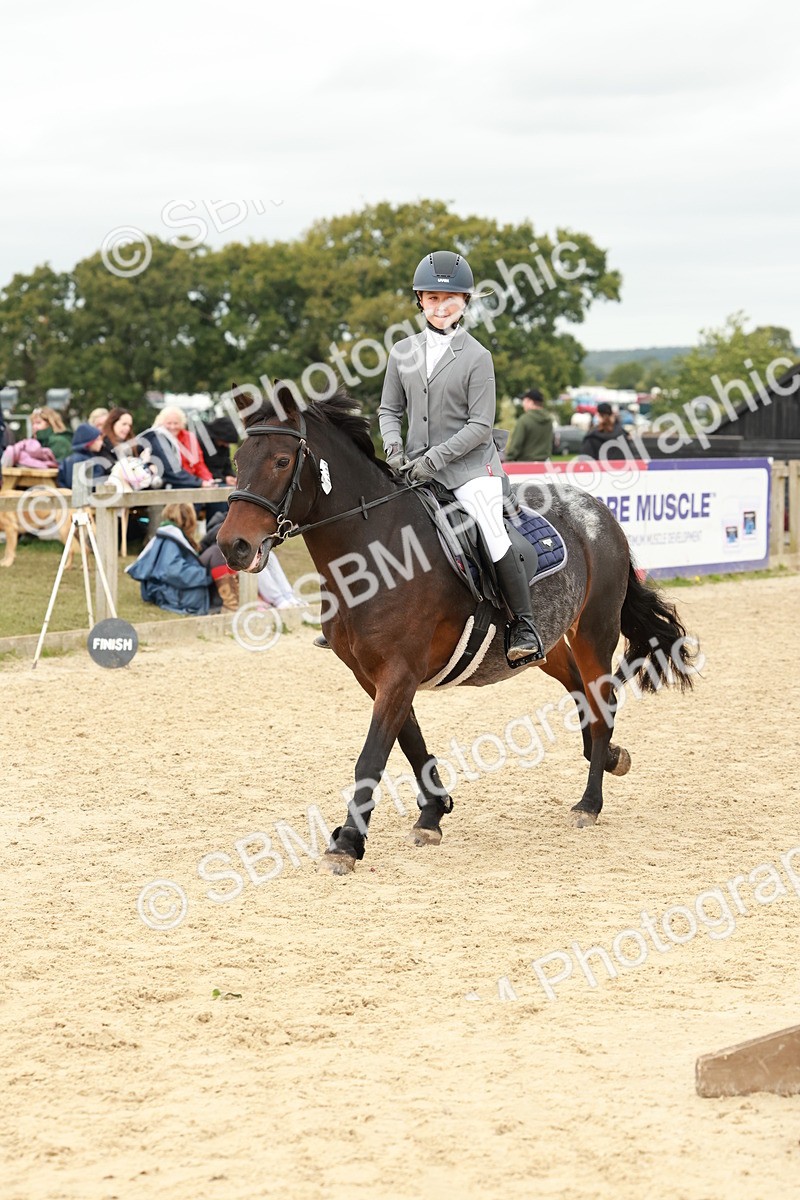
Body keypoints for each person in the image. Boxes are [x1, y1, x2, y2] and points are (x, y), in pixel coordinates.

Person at [378, 249, 545, 663]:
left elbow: (480, 426)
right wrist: (394, 449)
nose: (440, 306)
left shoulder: (477, 356)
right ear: (419, 300)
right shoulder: (402, 352)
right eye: (432, 298)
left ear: (465, 302)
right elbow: (388, 410)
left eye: (449, 298)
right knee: (375, 518)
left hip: (472, 467)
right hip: (413, 464)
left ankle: (523, 625)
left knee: (490, 527)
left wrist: (432, 461)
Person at [125, 501, 211, 615]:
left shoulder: (166, 534)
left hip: (157, 590)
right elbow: (173, 571)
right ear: (189, 518)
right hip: (170, 594)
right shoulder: (172, 539)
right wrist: (206, 574)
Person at [504, 389, 554, 462]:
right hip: (545, 464)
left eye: (524, 401)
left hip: (526, 464)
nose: (523, 404)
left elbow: (516, 445)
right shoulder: (549, 420)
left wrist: (508, 459)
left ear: (530, 402)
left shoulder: (524, 420)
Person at [56, 423, 107, 488]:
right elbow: (74, 485)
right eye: (97, 439)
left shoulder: (91, 457)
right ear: (89, 442)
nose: (101, 443)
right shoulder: (76, 459)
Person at [200, 416, 239, 484]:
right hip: (209, 481)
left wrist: (233, 476)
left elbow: (227, 466)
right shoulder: (203, 444)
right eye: (225, 442)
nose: (227, 445)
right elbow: (203, 468)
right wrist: (224, 479)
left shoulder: (224, 447)